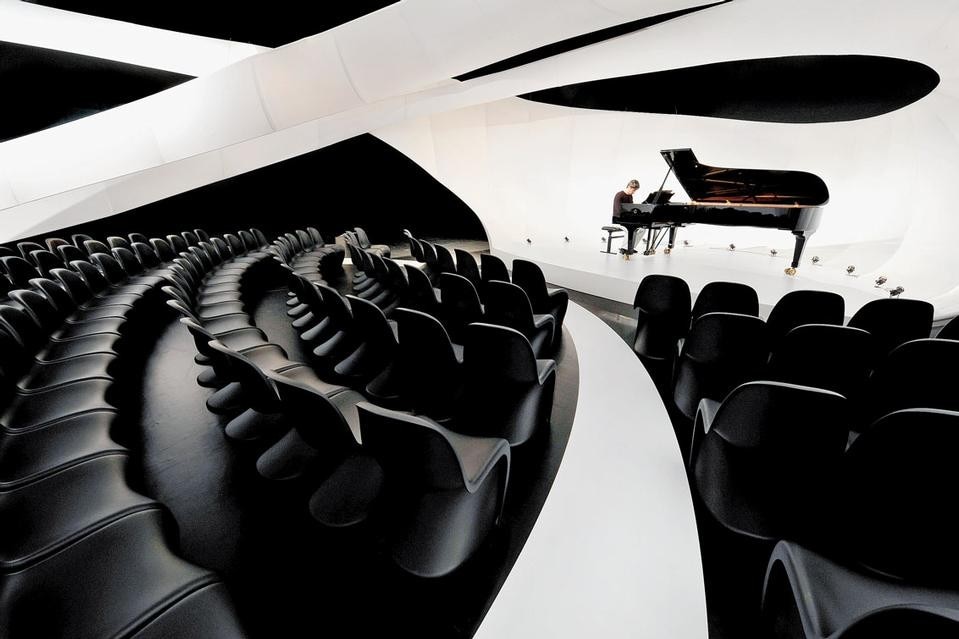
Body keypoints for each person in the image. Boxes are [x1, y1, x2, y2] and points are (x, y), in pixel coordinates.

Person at [613, 179, 641, 252]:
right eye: (633, 190)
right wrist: (629, 216)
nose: (634, 192)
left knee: (642, 230)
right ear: (629, 187)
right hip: (618, 220)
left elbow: (631, 209)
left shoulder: (630, 196)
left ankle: (631, 247)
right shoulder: (619, 195)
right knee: (630, 230)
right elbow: (618, 210)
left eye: (635, 191)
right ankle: (624, 248)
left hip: (627, 219)